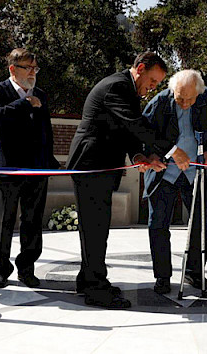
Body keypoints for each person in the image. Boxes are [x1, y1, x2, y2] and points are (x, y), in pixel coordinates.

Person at [66, 51, 190, 308]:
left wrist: (139, 155)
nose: (153, 88)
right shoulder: (117, 87)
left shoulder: (128, 90)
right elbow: (135, 124)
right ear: (141, 68)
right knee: (95, 228)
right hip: (91, 165)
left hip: (103, 166)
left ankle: (88, 277)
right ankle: (95, 289)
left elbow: (126, 132)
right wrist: (171, 150)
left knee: (97, 227)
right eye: (153, 81)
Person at [142, 69, 207, 294]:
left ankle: (195, 273)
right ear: (173, 91)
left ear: (199, 93)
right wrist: (163, 154)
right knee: (158, 225)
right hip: (164, 174)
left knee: (199, 225)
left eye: (190, 99)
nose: (184, 103)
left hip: (196, 174)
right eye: (180, 98)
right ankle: (162, 276)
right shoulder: (159, 102)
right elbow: (145, 135)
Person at [0, 48, 59, 289]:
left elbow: (46, 131)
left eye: (34, 68)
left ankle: (27, 269)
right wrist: (24, 103)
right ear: (12, 69)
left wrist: (49, 162)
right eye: (27, 67)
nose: (32, 72)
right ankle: (0, 270)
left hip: (37, 170)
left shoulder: (41, 94)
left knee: (32, 221)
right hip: (7, 169)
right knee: (4, 221)